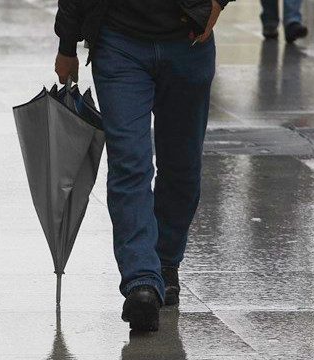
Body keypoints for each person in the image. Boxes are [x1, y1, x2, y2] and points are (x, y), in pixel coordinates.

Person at [53, 0, 234, 331]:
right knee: (129, 163)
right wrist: (67, 45)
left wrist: (217, 5)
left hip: (188, 41)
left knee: (182, 166)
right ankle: (141, 282)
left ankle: (165, 262)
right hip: (118, 42)